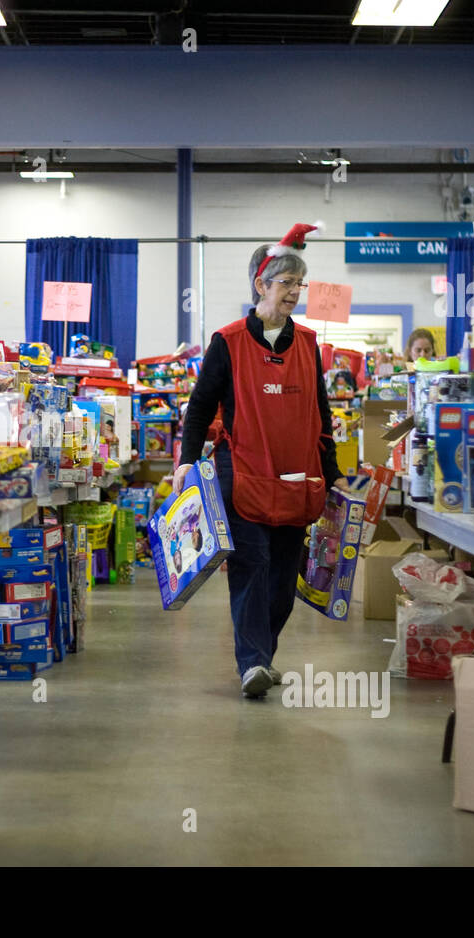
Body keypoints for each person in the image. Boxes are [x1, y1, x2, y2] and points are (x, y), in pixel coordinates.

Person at [175, 222, 350, 700]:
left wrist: (333, 473)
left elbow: (321, 413)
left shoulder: (310, 344)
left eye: (300, 284)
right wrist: (186, 461)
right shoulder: (227, 342)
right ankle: (251, 663)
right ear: (261, 284)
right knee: (252, 567)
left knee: (282, 579)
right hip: (243, 475)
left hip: (299, 478)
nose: (295, 292)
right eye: (286, 283)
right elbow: (200, 408)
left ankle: (263, 655)